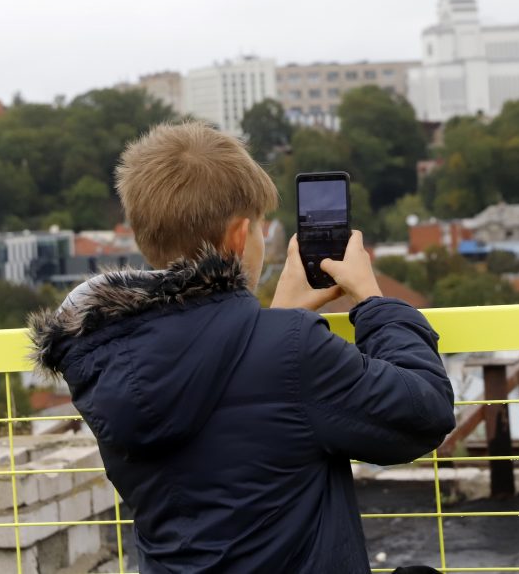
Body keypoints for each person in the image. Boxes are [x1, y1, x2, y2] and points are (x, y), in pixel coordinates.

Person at [29, 122, 455, 574]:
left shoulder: (106, 355)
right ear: (237, 237)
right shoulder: (293, 352)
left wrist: (272, 321)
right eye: (259, 232)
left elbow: (223, 397)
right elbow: (423, 413)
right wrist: (374, 304)